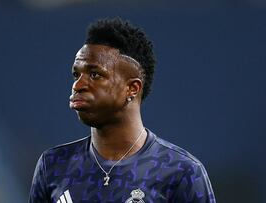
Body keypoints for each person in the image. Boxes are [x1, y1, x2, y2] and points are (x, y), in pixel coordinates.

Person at [29, 17, 216, 203]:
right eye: (77, 74)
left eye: (95, 74)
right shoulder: (53, 165)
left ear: (132, 88)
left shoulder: (181, 172)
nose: (78, 85)